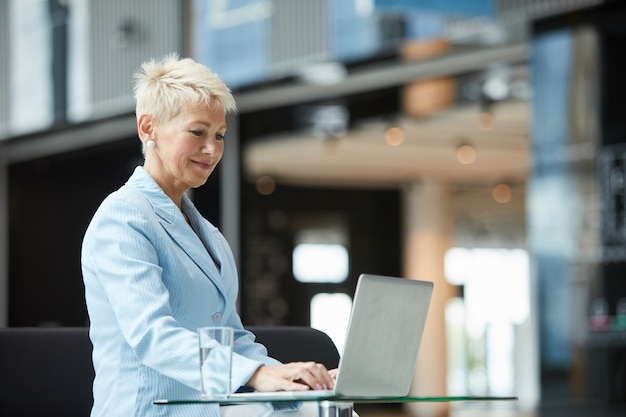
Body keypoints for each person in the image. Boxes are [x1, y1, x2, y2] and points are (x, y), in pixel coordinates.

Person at [81, 54, 336, 417]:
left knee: (317, 411)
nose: (212, 149)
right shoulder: (122, 218)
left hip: (206, 411)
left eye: (219, 135)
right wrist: (258, 374)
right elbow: (152, 336)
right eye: (197, 132)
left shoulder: (209, 235)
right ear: (147, 128)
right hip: (147, 412)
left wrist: (292, 379)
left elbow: (233, 340)